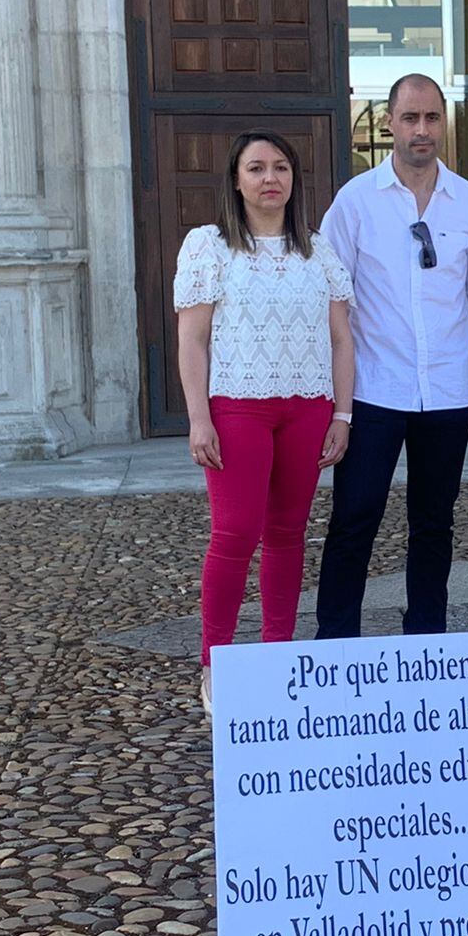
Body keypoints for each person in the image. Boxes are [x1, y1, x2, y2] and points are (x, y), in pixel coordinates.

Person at [173, 130, 355, 711]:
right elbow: (193, 340)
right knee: (234, 535)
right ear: (236, 179)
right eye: (256, 168)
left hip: (307, 408)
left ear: (294, 178)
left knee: (287, 535)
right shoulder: (209, 248)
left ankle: (278, 655)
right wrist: (199, 418)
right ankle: (216, 663)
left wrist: (342, 415)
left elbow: (341, 340)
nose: (269, 178)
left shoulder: (317, 251)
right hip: (238, 407)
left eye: (280, 167)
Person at [314, 74, 468, 639]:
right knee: (354, 518)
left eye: (432, 118)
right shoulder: (355, 202)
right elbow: (331, 292)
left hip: (447, 390)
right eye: (411, 118)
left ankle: (426, 637)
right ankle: (335, 641)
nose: (422, 130)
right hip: (374, 387)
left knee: (434, 524)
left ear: (445, 123)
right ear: (389, 121)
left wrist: (442, 345)